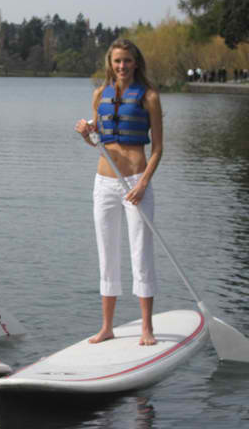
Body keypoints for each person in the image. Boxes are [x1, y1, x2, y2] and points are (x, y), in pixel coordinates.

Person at [75, 39, 163, 346]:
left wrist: (143, 184)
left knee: (141, 253)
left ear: (135, 62)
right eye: (117, 62)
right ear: (110, 64)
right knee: (107, 254)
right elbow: (98, 139)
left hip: (137, 182)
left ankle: (146, 328)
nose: (122, 66)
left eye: (127, 61)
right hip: (104, 184)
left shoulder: (149, 96)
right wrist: (87, 134)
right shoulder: (100, 94)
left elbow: (158, 149)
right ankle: (107, 326)